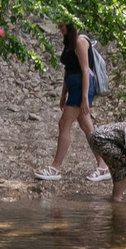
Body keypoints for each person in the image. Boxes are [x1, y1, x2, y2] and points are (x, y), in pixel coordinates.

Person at [43, 19, 100, 180]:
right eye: (59, 25)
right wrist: (63, 93)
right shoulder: (69, 43)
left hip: (80, 89)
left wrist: (84, 98)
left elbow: (85, 70)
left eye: (63, 26)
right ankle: (103, 165)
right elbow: (68, 70)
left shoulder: (80, 42)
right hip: (73, 87)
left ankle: (55, 167)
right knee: (87, 127)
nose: (60, 28)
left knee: (64, 124)